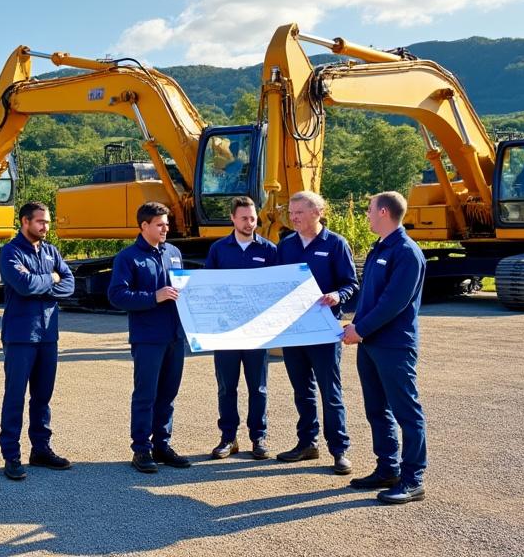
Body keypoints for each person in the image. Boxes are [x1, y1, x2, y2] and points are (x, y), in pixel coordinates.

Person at [341, 191, 429, 505]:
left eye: (369, 209)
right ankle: (387, 469)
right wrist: (353, 326)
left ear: (383, 212)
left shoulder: (406, 252)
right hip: (370, 344)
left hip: (393, 346)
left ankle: (413, 479)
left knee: (406, 412)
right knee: (376, 409)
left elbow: (394, 302)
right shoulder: (380, 247)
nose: (366, 214)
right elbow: (369, 298)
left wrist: (360, 329)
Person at [274, 190, 358, 475]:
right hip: (293, 331)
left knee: (330, 392)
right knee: (302, 391)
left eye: (299, 212)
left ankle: (339, 450)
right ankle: (307, 444)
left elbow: (351, 284)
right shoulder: (286, 246)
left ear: (317, 212)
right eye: (291, 213)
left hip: (324, 331)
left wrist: (337, 295)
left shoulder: (335, 244)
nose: (293, 217)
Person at [109, 201, 192, 473]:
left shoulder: (174, 253)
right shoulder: (128, 258)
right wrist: (154, 297)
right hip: (147, 338)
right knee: (146, 395)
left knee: (168, 394)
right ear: (144, 226)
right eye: (160, 224)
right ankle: (142, 449)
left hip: (175, 336)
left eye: (167, 224)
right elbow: (117, 295)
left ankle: (162, 445)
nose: (166, 228)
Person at [0, 201, 76, 481]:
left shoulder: (51, 251)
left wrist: (43, 284)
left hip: (48, 336)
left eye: (48, 222)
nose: (46, 226)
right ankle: (11, 455)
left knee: (42, 396)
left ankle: (40, 450)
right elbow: (24, 285)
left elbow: (69, 284)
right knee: (15, 396)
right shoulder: (10, 252)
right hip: (21, 335)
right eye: (41, 221)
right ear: (25, 222)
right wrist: (50, 278)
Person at [204, 195, 277, 461]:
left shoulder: (269, 250)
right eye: (244, 218)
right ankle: (228, 438)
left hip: (257, 332)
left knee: (258, 388)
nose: (249, 223)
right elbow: (207, 287)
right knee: (227, 388)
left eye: (253, 218)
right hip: (227, 332)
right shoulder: (218, 250)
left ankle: (259, 438)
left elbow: (277, 288)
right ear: (233, 219)